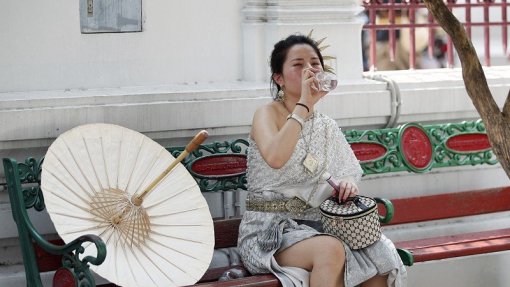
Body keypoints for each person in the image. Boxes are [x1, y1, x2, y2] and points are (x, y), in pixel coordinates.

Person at [237, 34, 407, 287]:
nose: (309, 70)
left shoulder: (325, 125)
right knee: (330, 250)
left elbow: (347, 170)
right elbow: (275, 157)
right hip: (269, 232)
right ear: (279, 78)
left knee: (380, 256)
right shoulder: (266, 114)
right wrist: (304, 104)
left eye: (315, 64)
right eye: (298, 64)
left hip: (319, 225)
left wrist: (347, 184)